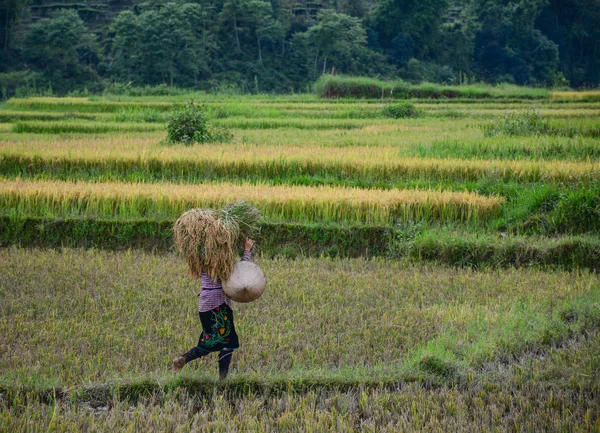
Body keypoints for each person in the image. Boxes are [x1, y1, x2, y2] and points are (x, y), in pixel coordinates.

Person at [173, 237, 255, 380]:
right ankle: (222, 379)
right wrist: (247, 250)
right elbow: (242, 273)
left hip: (205, 304)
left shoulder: (202, 257)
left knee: (210, 340)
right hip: (218, 305)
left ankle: (183, 360)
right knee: (229, 342)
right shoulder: (221, 259)